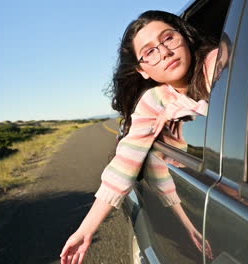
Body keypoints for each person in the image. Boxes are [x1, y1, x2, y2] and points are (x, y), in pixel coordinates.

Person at [60, 10, 219, 264]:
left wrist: (184, 110)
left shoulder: (216, 63)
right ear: (142, 71)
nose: (164, 52)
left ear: (185, 37)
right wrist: (86, 229)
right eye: (149, 52)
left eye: (168, 38)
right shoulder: (154, 102)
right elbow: (125, 162)